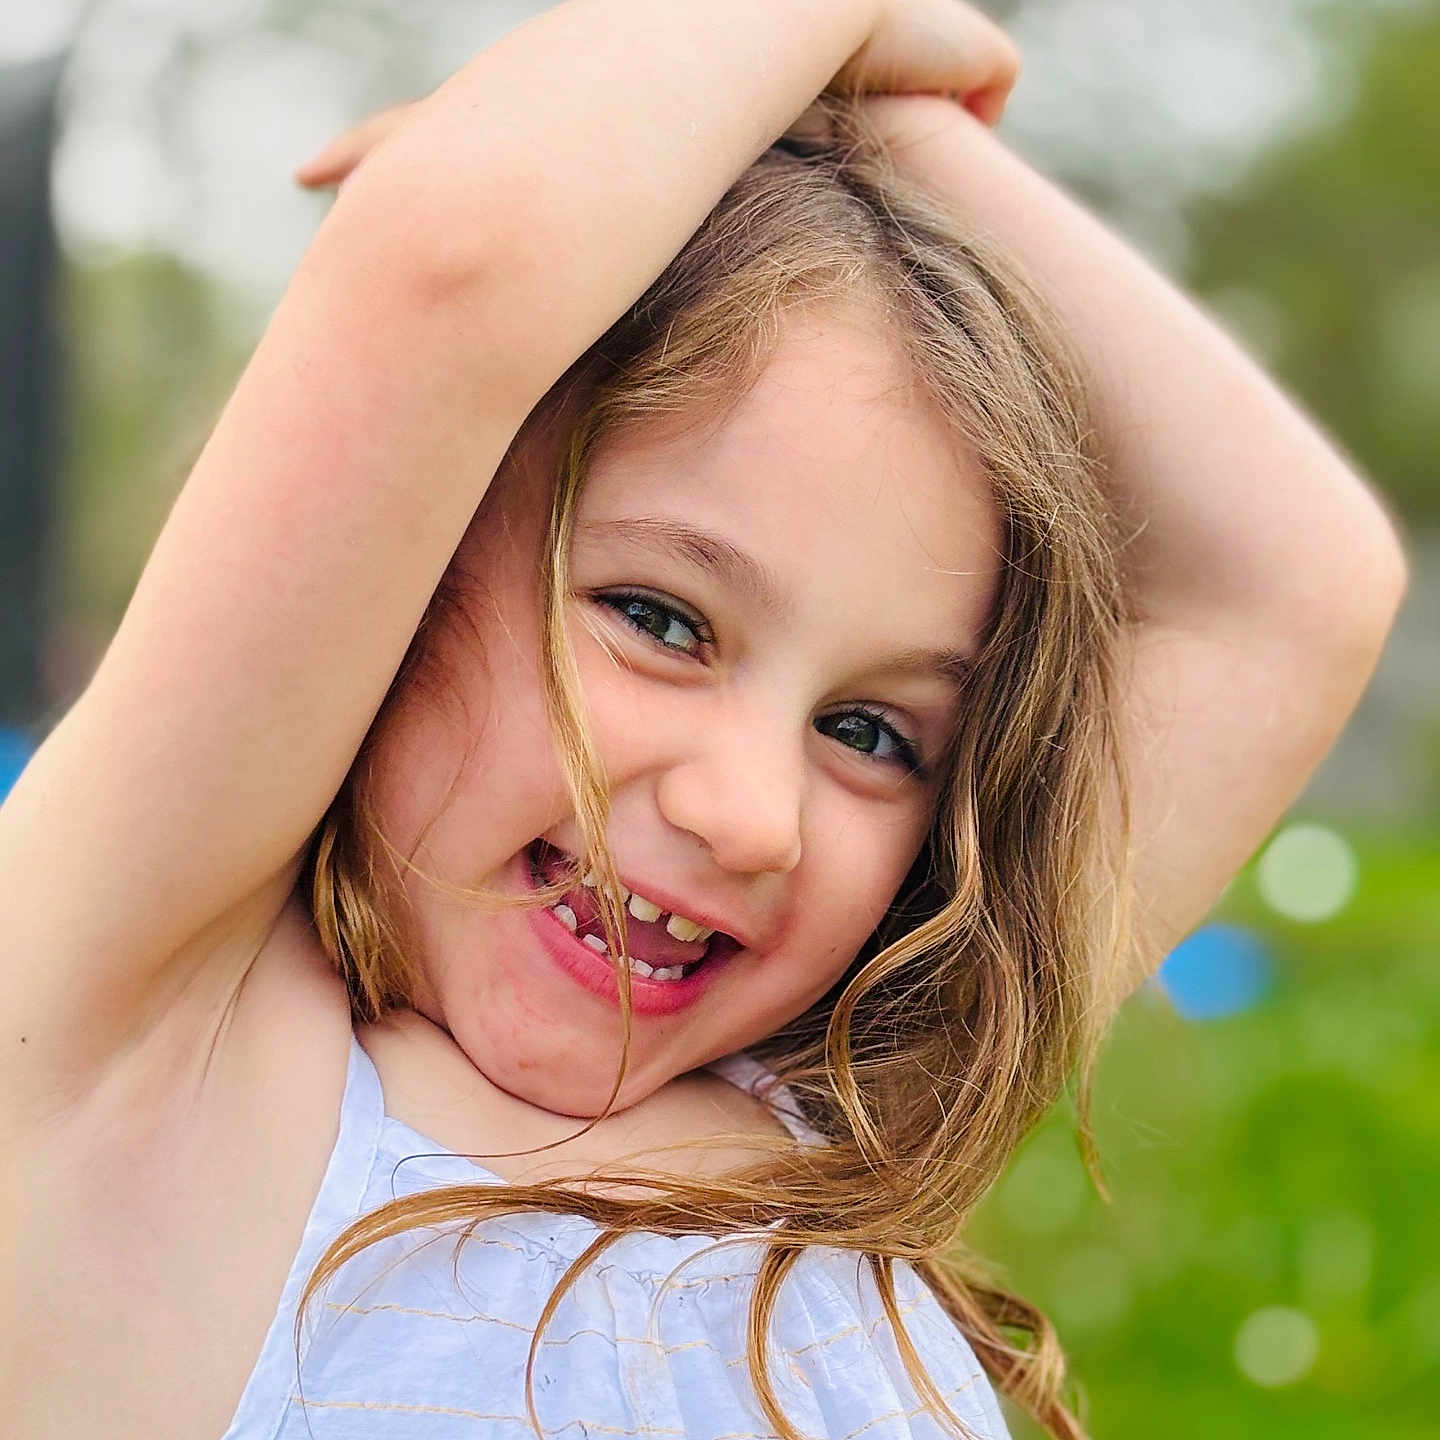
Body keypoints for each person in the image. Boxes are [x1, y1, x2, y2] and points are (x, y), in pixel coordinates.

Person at [0, 2, 1406, 1438]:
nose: (753, 814)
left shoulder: (843, 1127)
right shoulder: (135, 1055)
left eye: (871, 733)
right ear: (400, 570)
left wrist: (855, 116)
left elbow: (1292, 591)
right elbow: (458, 264)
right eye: (661, 622)